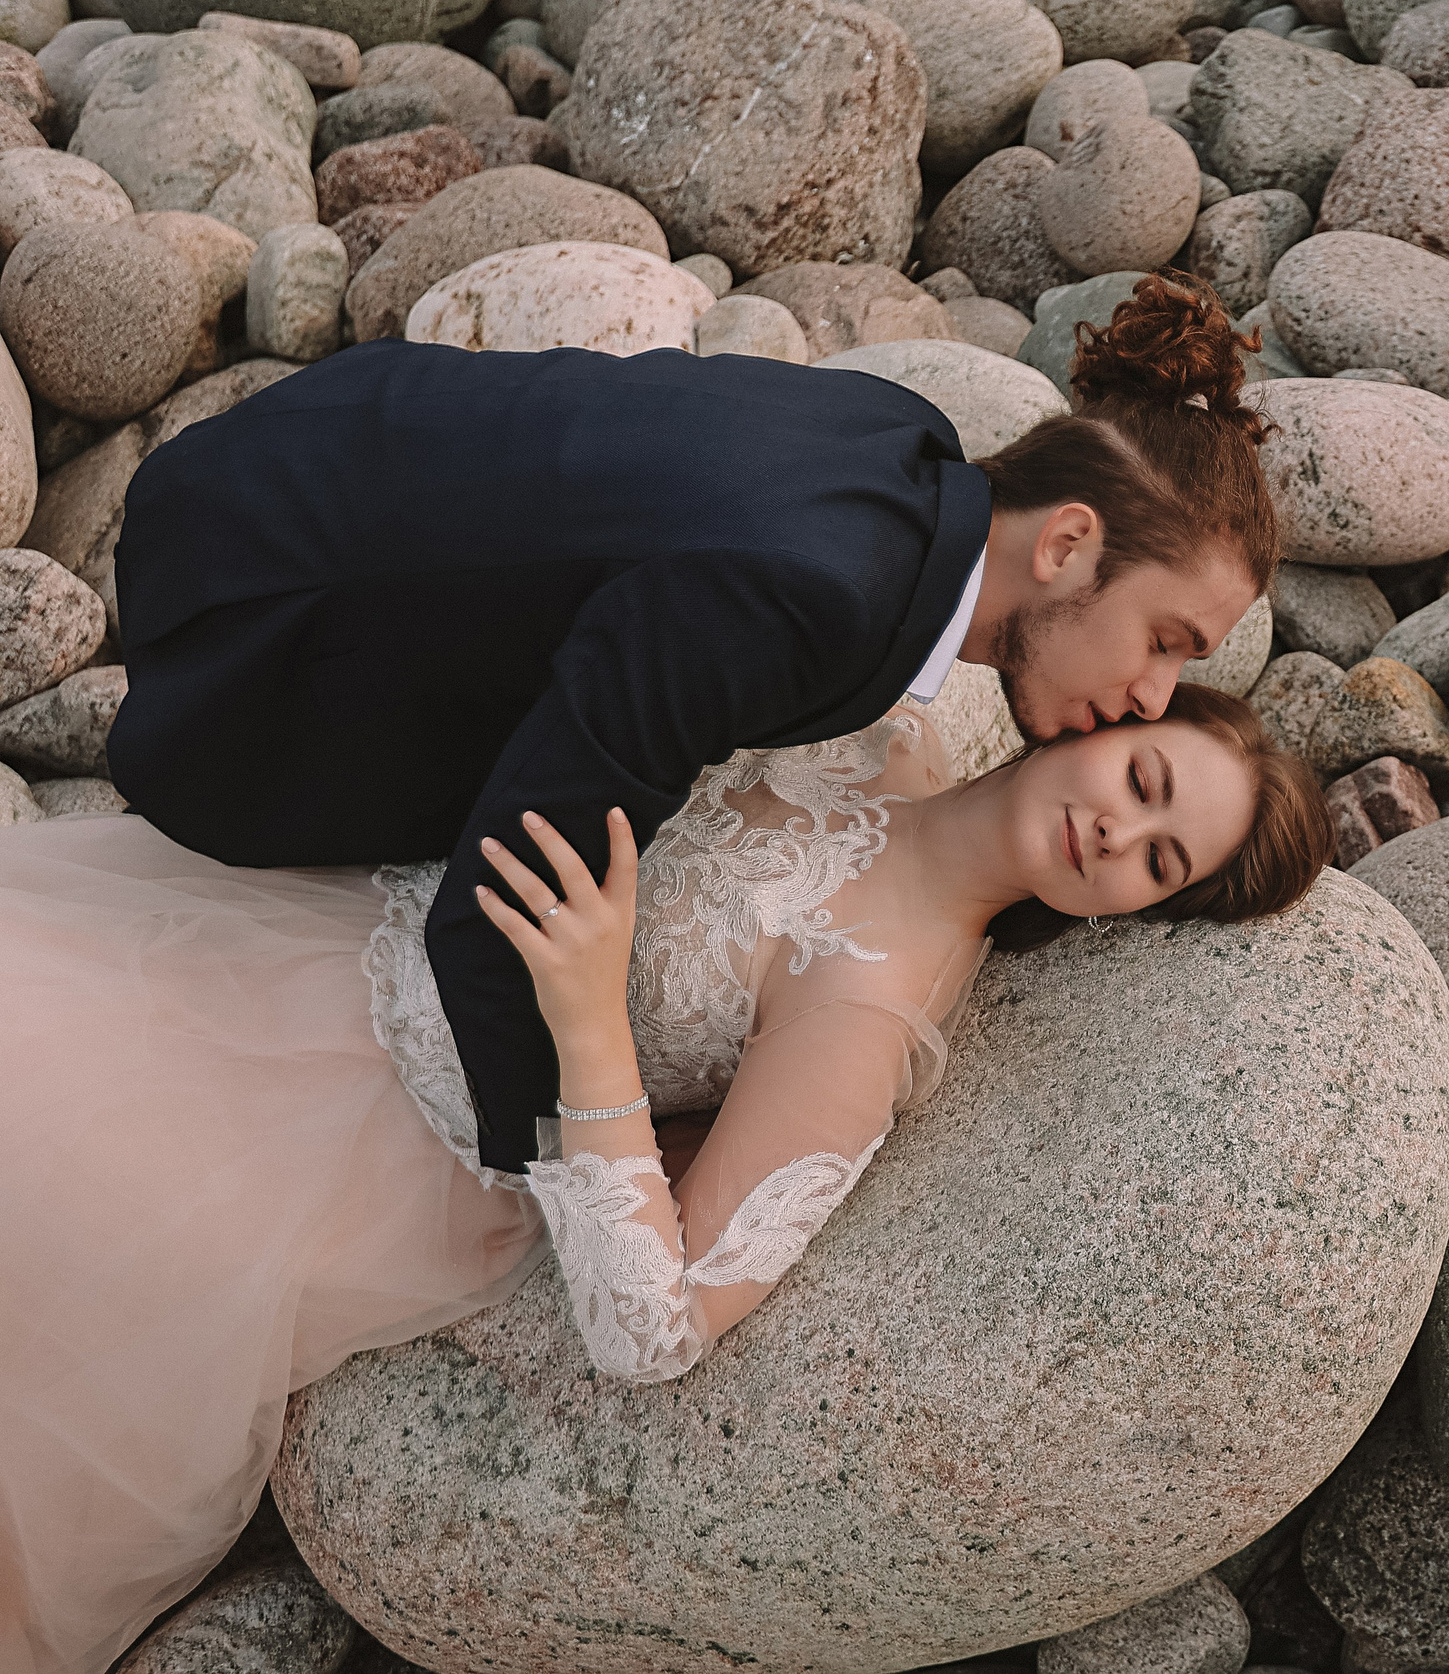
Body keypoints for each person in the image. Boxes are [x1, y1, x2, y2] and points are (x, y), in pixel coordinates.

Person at [0, 680, 1333, 1674]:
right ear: (1106, 719)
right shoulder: (887, 709)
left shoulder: (871, 1012)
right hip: (322, 904)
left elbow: (658, 1323)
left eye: (1162, 861)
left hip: (356, 1128)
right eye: (1148, 777)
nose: (1118, 830)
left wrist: (589, 1018)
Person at [103, 273, 1277, 1177]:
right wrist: (557, 1160)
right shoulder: (818, 598)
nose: (1154, 699)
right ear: (1067, 543)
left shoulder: (901, 441)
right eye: (1168, 639)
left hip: (300, 438)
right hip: (248, 634)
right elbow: (508, 892)